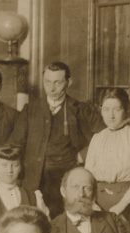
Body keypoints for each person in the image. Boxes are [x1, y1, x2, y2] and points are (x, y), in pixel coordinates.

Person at [10, 61, 103, 216]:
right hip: (34, 180)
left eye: (57, 82)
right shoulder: (30, 110)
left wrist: (83, 155)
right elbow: (15, 144)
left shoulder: (80, 110)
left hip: (67, 182)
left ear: (68, 82)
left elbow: (103, 137)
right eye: (47, 82)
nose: (51, 88)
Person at [85, 88, 130, 216]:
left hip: (127, 202)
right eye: (106, 109)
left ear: (125, 110)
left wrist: (121, 206)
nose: (111, 115)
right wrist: (92, 204)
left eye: (117, 109)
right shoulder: (97, 138)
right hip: (97, 202)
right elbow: (87, 176)